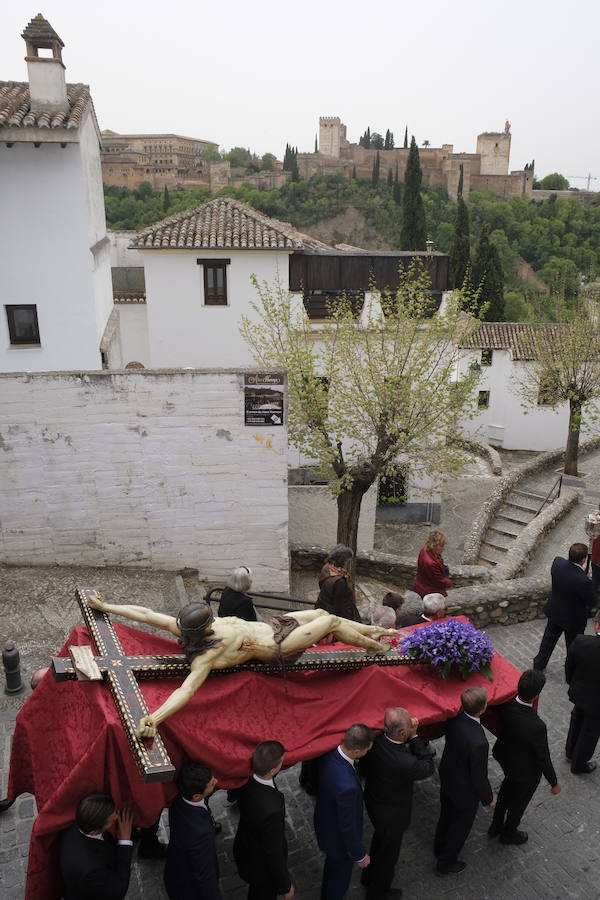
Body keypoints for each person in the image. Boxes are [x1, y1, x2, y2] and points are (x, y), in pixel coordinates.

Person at [86, 594, 395, 738]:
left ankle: (375, 631)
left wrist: (106, 606)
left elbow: (145, 613)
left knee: (319, 612)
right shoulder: (208, 654)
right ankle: (376, 645)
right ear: (206, 627)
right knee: (330, 621)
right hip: (277, 646)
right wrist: (154, 717)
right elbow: (187, 688)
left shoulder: (185, 628)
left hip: (272, 625)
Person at [360, 708, 435, 899]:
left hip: (375, 801)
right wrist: (415, 736)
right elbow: (427, 766)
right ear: (402, 733)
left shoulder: (376, 742)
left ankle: (368, 876)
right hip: (392, 814)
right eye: (410, 725)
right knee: (388, 857)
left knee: (379, 843)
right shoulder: (406, 762)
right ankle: (378, 892)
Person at [489, 669, 561, 845]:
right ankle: (509, 833)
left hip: (507, 759)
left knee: (505, 791)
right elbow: (543, 757)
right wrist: (554, 782)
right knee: (518, 804)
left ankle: (495, 826)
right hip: (525, 773)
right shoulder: (537, 726)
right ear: (536, 696)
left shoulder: (505, 706)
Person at [433, 687, 495, 876]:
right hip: (464, 791)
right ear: (482, 709)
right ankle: (446, 861)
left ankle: (439, 846)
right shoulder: (479, 742)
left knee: (446, 814)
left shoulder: (455, 720)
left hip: (448, 777)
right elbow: (478, 776)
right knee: (459, 827)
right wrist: (488, 798)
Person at [314, 723, 374, 900]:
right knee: (338, 878)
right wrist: (359, 854)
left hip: (324, 820)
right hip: (338, 841)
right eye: (366, 750)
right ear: (356, 751)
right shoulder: (347, 788)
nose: (367, 753)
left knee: (332, 869)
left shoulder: (328, 754)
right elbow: (347, 826)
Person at [233, 741, 294, 900]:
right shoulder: (272, 809)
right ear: (273, 770)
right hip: (260, 867)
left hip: (245, 847)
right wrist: (286, 886)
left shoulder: (244, 780)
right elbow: (273, 852)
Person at [533, 543, 595, 671]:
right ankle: (571, 669)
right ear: (583, 560)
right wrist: (588, 579)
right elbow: (591, 601)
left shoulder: (557, 563)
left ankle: (539, 664)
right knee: (572, 645)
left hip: (555, 611)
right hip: (573, 619)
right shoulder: (583, 580)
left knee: (548, 641)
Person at [59, 793, 133, 900]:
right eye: (111, 821)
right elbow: (118, 891)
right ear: (94, 832)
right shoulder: (92, 871)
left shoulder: (73, 829)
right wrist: (124, 842)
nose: (117, 817)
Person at [164, 761, 221, 899]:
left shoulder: (179, 801)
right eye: (211, 783)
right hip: (189, 888)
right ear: (196, 796)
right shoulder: (202, 834)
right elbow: (205, 876)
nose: (216, 781)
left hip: (175, 868)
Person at [565, 610, 600, 775]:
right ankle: (579, 765)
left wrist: (573, 683)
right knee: (590, 732)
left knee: (576, 721)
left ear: (597, 624)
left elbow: (569, 667)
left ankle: (570, 752)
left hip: (579, 694)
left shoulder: (580, 641)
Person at [315, 544, 361, 622]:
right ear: (342, 561)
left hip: (323, 610)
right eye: (347, 561)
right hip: (334, 616)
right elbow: (340, 607)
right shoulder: (339, 582)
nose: (347, 563)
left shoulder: (326, 568)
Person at [413, 531, 452, 599]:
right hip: (428, 590)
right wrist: (449, 583)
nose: (444, 548)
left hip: (422, 584)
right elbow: (439, 581)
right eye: (441, 546)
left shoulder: (424, 550)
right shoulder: (430, 563)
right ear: (434, 545)